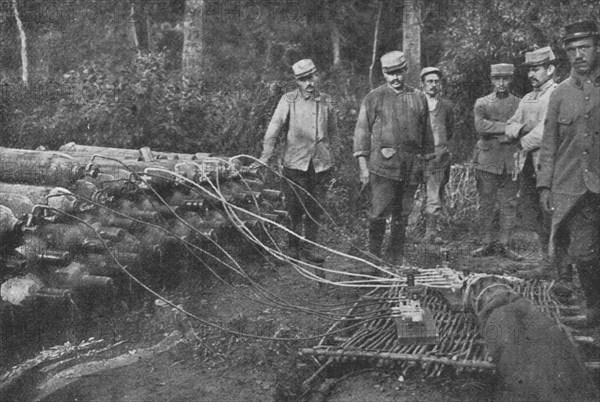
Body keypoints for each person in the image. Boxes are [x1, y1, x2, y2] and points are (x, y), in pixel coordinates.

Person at [537, 21, 600, 327]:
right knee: (583, 254)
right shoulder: (560, 93)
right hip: (574, 188)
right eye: (572, 49)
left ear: (596, 47)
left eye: (584, 47)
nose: (579, 54)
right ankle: (593, 307)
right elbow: (549, 142)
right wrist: (544, 186)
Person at [353, 50, 434, 268]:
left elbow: (426, 134)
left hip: (410, 166)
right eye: (390, 74)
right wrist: (363, 167)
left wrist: (426, 164)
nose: (395, 78)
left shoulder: (418, 97)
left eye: (399, 72)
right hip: (383, 166)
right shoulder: (374, 98)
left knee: (403, 212)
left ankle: (396, 255)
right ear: (384, 74)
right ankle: (373, 257)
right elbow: (361, 133)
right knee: (379, 212)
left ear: (406, 70)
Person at [256, 59, 337, 263]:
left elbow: (334, 132)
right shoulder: (288, 100)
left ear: (317, 76)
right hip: (295, 163)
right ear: (297, 81)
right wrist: (266, 156)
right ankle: (292, 247)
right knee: (294, 207)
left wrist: (334, 156)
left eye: (311, 77)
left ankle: (310, 248)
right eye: (303, 79)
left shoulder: (326, 101)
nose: (309, 83)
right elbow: (273, 129)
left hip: (320, 164)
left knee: (315, 207)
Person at [504, 47, 566, 280]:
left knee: (553, 216)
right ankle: (546, 263)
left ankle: (561, 269)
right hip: (528, 166)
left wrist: (522, 141)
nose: (531, 74)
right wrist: (521, 129)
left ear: (550, 69)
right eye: (529, 69)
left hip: (551, 165)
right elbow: (509, 126)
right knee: (538, 218)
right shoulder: (529, 98)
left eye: (536, 69)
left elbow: (548, 132)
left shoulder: (558, 93)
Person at [471, 63, 522, 259]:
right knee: (487, 202)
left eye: (506, 78)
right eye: (497, 79)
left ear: (511, 80)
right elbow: (481, 127)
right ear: (492, 80)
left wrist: (502, 129)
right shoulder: (482, 103)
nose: (501, 83)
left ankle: (504, 244)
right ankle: (486, 243)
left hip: (511, 160)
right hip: (487, 159)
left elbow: (523, 127)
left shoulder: (519, 103)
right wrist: (509, 128)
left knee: (509, 203)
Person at [420, 67, 454, 243]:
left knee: (436, 194)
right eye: (429, 82)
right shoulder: (417, 104)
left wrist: (440, 148)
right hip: (419, 157)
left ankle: (431, 232)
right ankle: (411, 230)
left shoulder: (446, 106)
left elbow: (450, 130)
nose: (433, 85)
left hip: (439, 157)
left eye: (436, 81)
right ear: (423, 84)